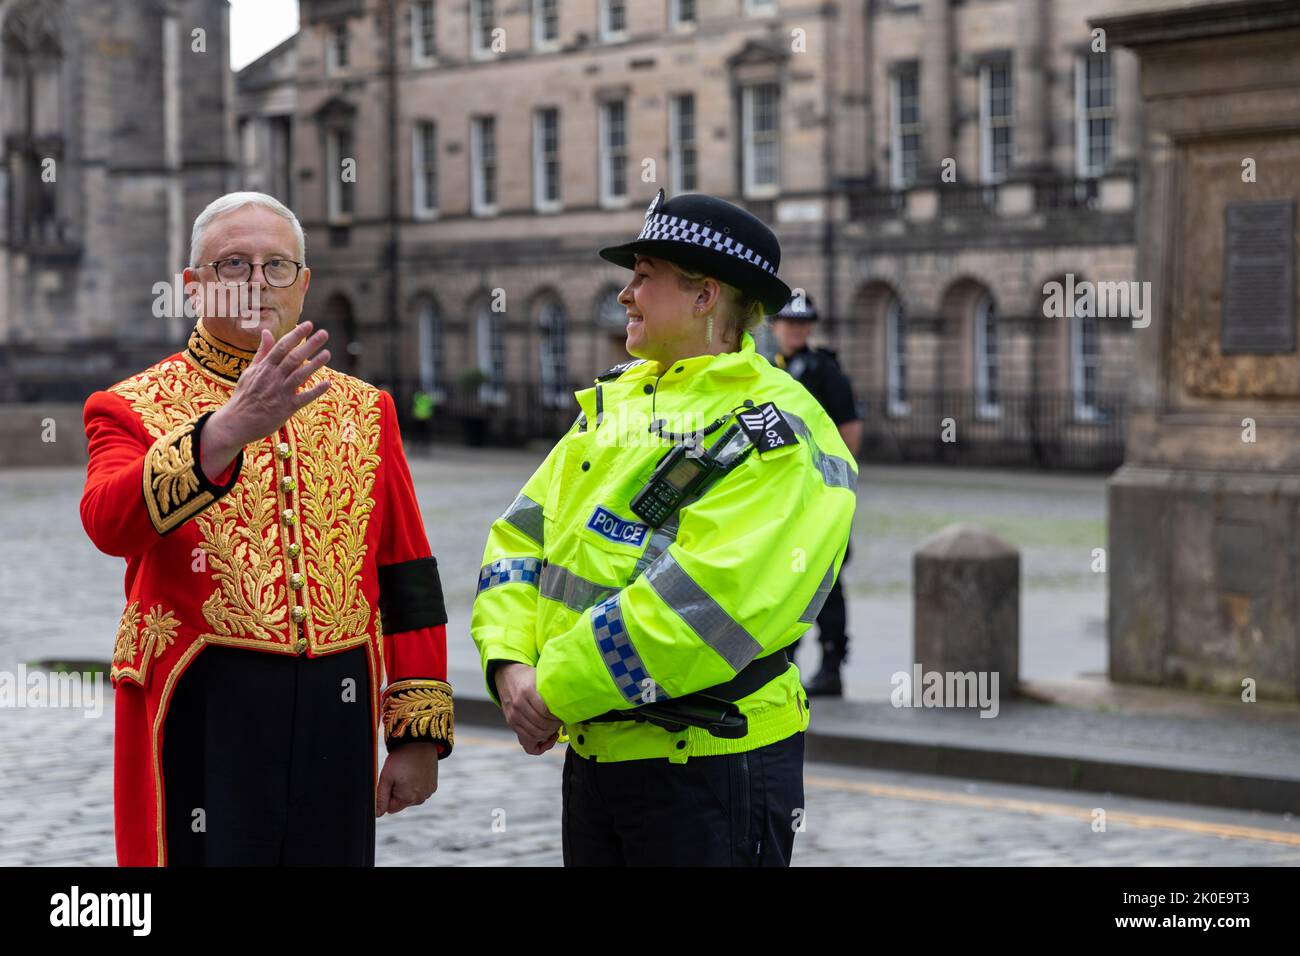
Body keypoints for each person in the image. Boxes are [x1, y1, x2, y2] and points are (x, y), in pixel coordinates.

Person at [470, 188, 857, 866]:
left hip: (706, 767)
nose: (626, 294)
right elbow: (520, 537)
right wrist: (508, 662)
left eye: (644, 275)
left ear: (706, 296)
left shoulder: (776, 431)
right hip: (597, 752)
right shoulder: (617, 400)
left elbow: (700, 606)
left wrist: (548, 690)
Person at [80, 192, 454, 866]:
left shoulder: (369, 409)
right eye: (233, 265)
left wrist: (415, 734)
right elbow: (108, 523)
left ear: (304, 284)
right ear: (192, 287)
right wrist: (221, 434)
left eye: (277, 266)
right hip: (201, 699)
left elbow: (408, 574)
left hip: (338, 701)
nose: (257, 282)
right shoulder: (128, 406)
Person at [771, 294, 862, 697]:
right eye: (789, 323)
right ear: (775, 326)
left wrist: (829, 487)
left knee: (826, 581)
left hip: (816, 497)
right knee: (781, 578)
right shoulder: (767, 368)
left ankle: (831, 664)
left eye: (802, 324)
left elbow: (849, 431)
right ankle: (782, 658)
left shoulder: (824, 370)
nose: (795, 330)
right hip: (779, 498)